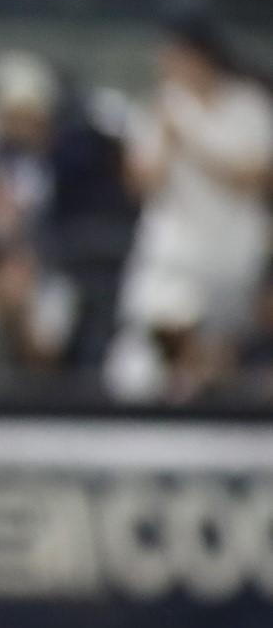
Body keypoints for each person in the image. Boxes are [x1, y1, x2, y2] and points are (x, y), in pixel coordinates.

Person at [107, 20, 273, 402]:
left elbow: (256, 177)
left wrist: (194, 145)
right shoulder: (161, 105)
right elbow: (141, 185)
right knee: (160, 324)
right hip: (172, 245)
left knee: (218, 344)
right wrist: (165, 140)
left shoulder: (249, 104)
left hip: (232, 247)